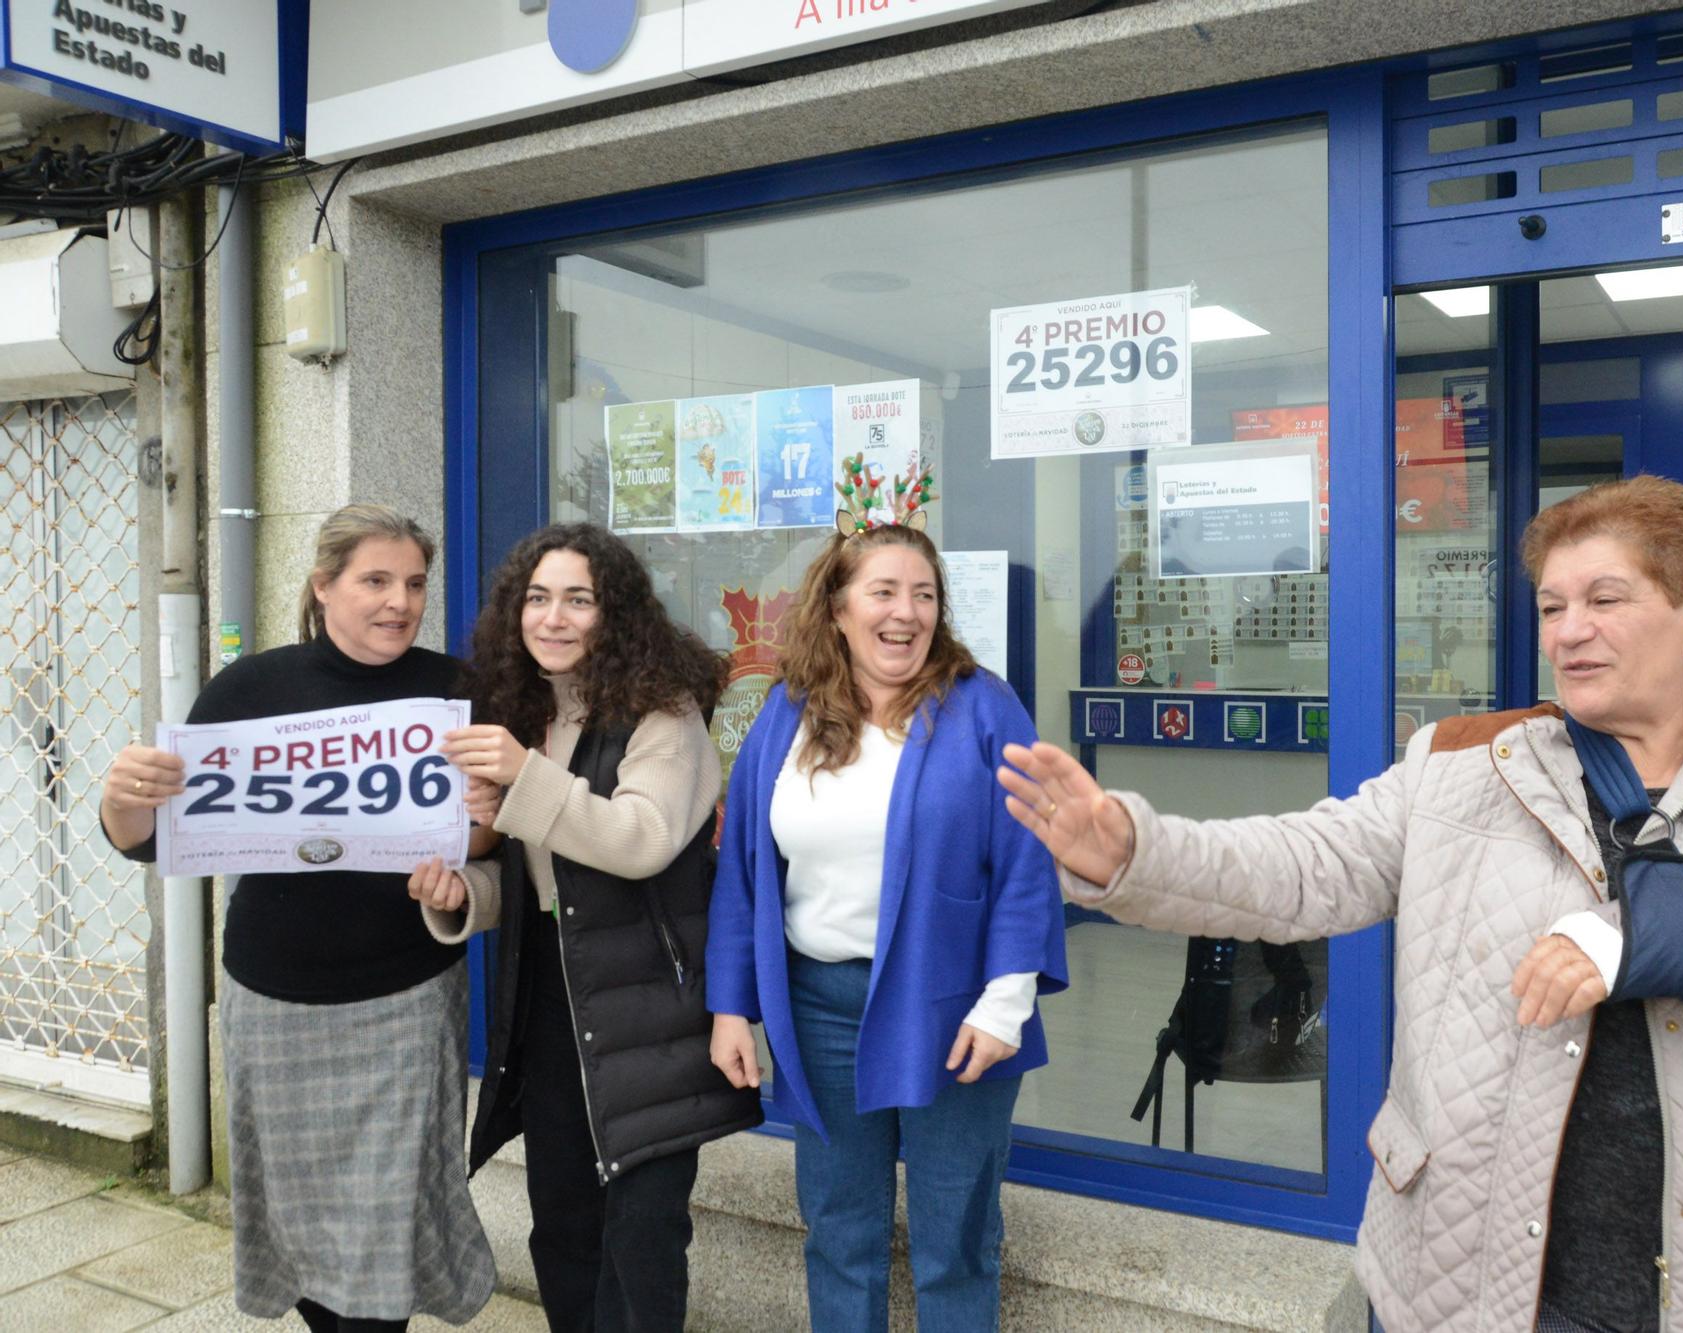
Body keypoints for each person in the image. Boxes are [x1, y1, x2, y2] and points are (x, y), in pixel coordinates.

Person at [997, 475, 1683, 1333]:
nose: (1570, 630)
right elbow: (1303, 864)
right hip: (1464, 1283)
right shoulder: (1463, 763)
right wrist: (1135, 848)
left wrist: (1646, 934)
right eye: (1553, 605)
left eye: (1605, 600)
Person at [100, 505, 496, 1332]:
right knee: (304, 1222)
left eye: (415, 582)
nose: (400, 601)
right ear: (324, 587)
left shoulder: (455, 692)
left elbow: (489, 832)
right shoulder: (247, 689)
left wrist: (467, 857)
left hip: (404, 1003)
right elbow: (150, 838)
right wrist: (121, 801)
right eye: (376, 580)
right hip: (274, 1005)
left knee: (385, 1235)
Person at [706, 519, 1067, 1331]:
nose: (906, 612)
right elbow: (745, 870)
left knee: (955, 1238)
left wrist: (1006, 1001)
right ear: (837, 608)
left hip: (953, 1007)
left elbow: (1026, 860)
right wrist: (733, 1005)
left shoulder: (983, 706)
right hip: (817, 1005)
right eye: (884, 591)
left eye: (924, 594)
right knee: (838, 1229)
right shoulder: (785, 714)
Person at [408, 522, 762, 1333]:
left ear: (616, 614)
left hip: (653, 1021)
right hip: (556, 1014)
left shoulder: (662, 714)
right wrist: (461, 893)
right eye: (537, 598)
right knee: (561, 1225)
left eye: (578, 599)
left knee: (641, 1241)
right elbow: (548, 884)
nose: (553, 618)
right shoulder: (529, 716)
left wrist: (522, 777)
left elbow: (637, 842)